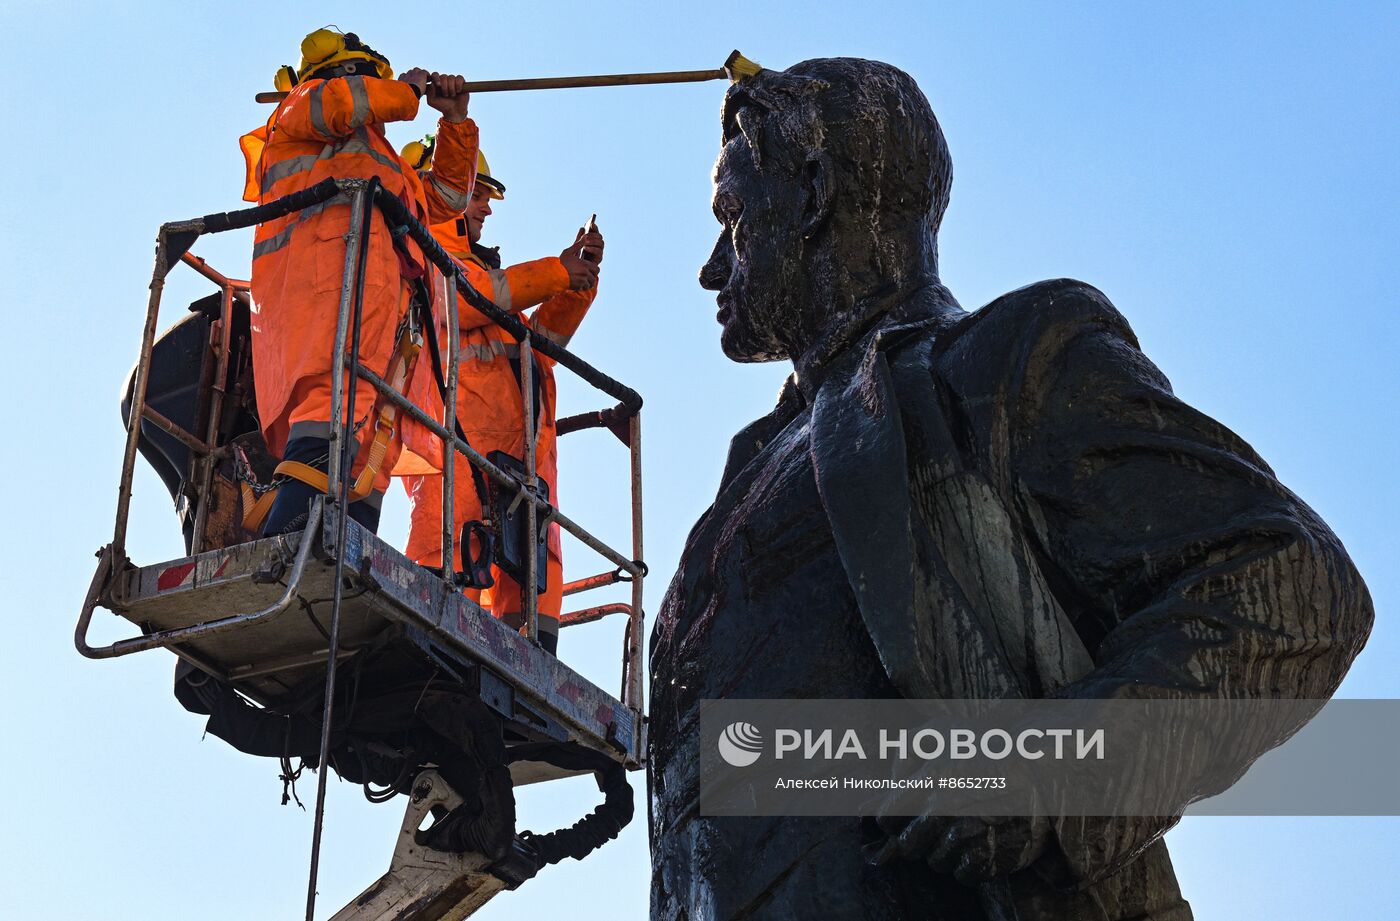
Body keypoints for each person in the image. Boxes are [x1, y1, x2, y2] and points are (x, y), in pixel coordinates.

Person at [647, 58, 1373, 920]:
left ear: (811, 194)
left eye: (732, 216)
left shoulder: (1002, 362)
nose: (711, 269)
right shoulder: (750, 471)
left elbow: (1296, 580)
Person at [239, 28, 477, 535]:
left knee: (376, 440)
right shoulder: (301, 109)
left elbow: (448, 200)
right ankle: (287, 539)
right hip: (327, 297)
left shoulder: (384, 160)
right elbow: (342, 103)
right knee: (331, 409)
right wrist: (408, 92)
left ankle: (350, 550)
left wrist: (455, 122)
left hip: (388, 313)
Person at [399, 139, 604, 654]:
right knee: (441, 615)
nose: (486, 208)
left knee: (534, 626)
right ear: (437, 186)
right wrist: (556, 272)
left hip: (522, 476)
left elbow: (539, 350)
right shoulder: (426, 259)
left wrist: (575, 284)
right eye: (477, 194)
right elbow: (467, 304)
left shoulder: (485, 278)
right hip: (460, 467)